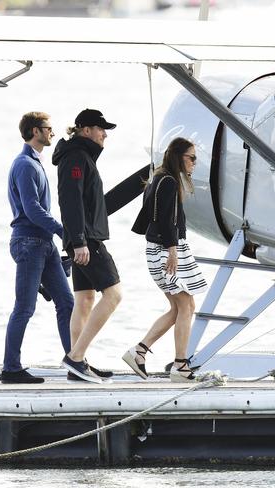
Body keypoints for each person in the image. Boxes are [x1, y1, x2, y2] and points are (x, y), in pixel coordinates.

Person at [126, 137, 208, 382]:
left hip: (159, 248)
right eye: (191, 158)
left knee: (178, 308)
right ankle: (180, 366)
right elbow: (165, 220)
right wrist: (172, 251)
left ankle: (138, 352)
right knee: (187, 307)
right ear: (178, 157)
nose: (195, 163)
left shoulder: (158, 177)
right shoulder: (169, 182)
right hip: (167, 250)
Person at [2, 111, 74, 384]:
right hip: (29, 242)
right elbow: (32, 210)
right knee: (24, 307)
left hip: (44, 243)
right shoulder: (25, 165)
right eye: (48, 128)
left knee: (67, 303)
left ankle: (75, 362)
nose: (52, 133)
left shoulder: (36, 163)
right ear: (35, 131)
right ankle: (11, 368)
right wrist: (63, 231)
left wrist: (57, 235)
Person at [52, 108, 121, 383]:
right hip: (86, 241)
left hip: (84, 238)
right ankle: (76, 357)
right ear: (85, 130)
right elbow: (70, 201)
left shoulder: (81, 157)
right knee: (114, 295)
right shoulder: (76, 158)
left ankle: (77, 365)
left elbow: (95, 203)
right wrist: (79, 241)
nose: (105, 134)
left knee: (85, 300)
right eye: (101, 128)